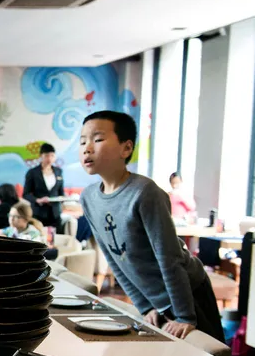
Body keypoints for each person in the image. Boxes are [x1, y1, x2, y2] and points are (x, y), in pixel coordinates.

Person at [79, 110, 223, 341]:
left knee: (210, 355)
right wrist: (145, 306)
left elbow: (169, 258)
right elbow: (115, 260)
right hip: (155, 300)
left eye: (97, 139)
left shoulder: (145, 192)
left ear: (126, 148)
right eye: (82, 141)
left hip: (188, 293)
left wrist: (184, 316)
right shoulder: (89, 198)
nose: (87, 148)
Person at [23, 143, 65, 229]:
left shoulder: (58, 171)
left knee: (57, 236)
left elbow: (61, 192)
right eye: (46, 156)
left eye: (52, 156)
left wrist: (63, 199)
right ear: (41, 156)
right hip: (39, 213)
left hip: (55, 213)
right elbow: (26, 194)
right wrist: (38, 200)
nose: (49, 158)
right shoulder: (32, 172)